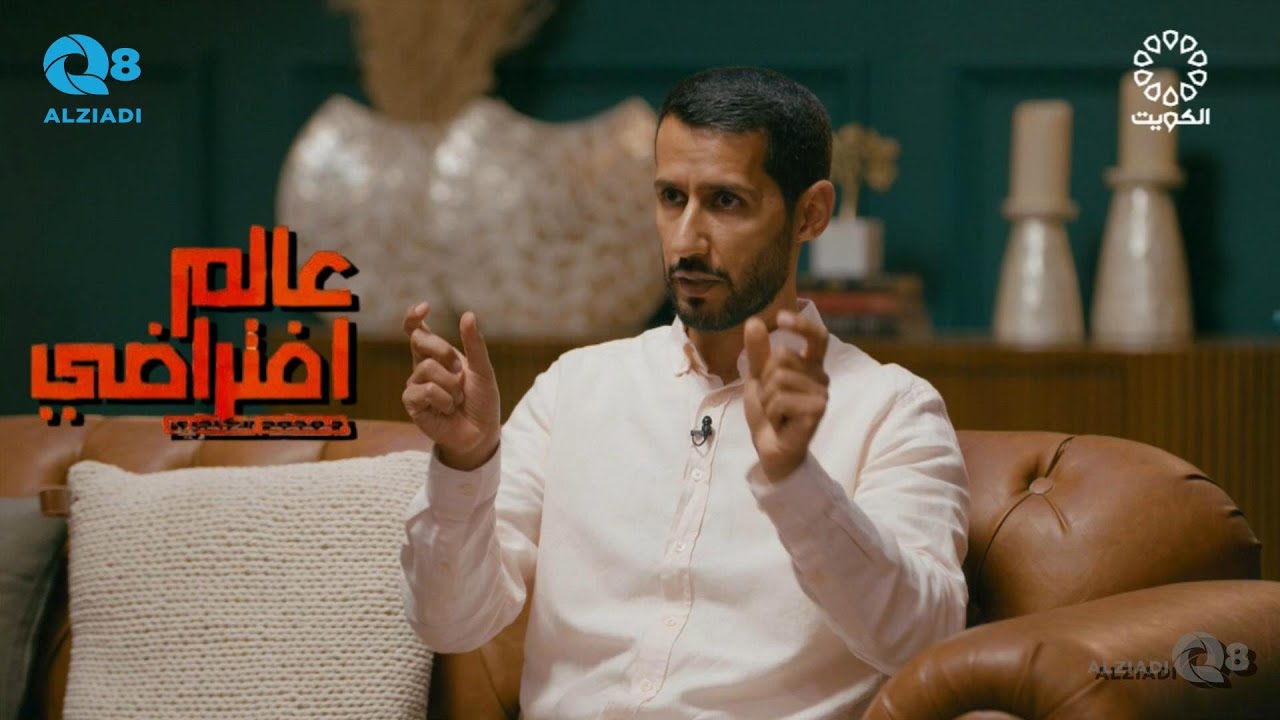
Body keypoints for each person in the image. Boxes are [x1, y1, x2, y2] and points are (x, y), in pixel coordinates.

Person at [399, 66, 970, 719]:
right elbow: (451, 624)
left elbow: (924, 639)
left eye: (726, 202)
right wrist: (465, 465)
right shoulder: (574, 389)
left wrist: (796, 483)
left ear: (810, 214)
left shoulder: (894, 410)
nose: (686, 240)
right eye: (672, 197)